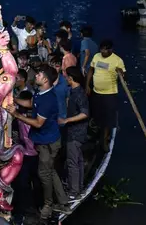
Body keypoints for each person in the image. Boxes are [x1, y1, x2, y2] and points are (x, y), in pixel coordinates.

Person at [5, 66, 70, 220]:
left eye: (39, 74)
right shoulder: (40, 93)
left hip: (48, 142)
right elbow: (30, 103)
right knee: (50, 171)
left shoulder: (48, 100)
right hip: (44, 140)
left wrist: (16, 114)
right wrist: (13, 99)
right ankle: (63, 201)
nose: (36, 76)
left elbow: (38, 123)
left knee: (44, 174)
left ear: (45, 79)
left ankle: (48, 205)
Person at [86, 39, 125, 152]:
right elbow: (91, 70)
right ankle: (95, 136)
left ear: (110, 50)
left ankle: (104, 140)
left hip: (110, 94)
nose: (102, 52)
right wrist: (87, 85)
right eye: (101, 49)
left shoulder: (118, 61)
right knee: (96, 115)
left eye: (104, 50)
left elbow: (124, 77)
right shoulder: (96, 57)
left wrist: (121, 73)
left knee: (108, 119)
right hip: (96, 92)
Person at [9, 90, 40, 224]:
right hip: (30, 154)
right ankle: (34, 207)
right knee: (30, 184)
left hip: (29, 155)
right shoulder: (28, 117)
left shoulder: (26, 118)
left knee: (23, 185)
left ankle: (22, 213)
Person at [59, 67, 89, 199]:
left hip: (76, 133)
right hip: (75, 132)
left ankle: (74, 191)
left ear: (71, 78)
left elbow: (85, 113)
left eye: (66, 77)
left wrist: (67, 120)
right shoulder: (74, 91)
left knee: (72, 162)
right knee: (79, 160)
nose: (65, 79)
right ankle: (79, 187)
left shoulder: (78, 94)